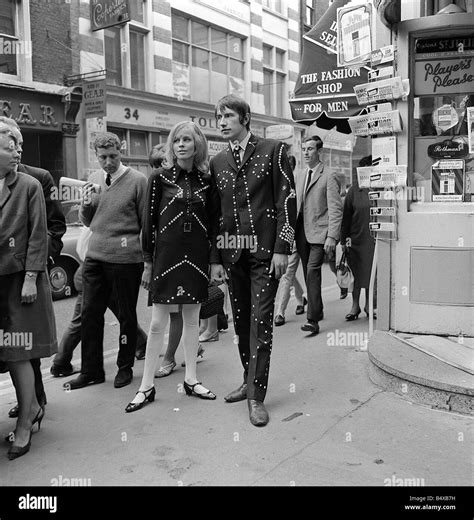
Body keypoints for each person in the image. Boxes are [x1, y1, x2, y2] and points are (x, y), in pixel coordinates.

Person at [209, 94, 297, 427]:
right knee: (242, 322)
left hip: (265, 255)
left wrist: (281, 249)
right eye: (219, 117)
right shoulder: (217, 163)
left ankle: (256, 397)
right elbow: (216, 214)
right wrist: (215, 258)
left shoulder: (273, 150)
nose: (222, 122)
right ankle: (248, 380)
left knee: (261, 322)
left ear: (246, 118)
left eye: (228, 115)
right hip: (233, 255)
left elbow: (287, 201)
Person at [125, 121, 220, 413]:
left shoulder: (207, 179)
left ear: (197, 145)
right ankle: (146, 386)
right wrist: (147, 262)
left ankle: (191, 379)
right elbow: (149, 223)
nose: (180, 144)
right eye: (176, 140)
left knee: (192, 320)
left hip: (196, 257)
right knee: (157, 323)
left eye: (187, 140)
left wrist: (215, 260)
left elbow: (215, 224)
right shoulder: (159, 178)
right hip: (166, 257)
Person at [64, 132, 147, 390]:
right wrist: (86, 203)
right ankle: (91, 370)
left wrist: (147, 261)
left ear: (120, 152)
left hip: (126, 259)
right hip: (95, 257)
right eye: (103, 157)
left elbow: (146, 223)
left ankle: (125, 367)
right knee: (89, 314)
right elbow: (88, 220)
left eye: (113, 156)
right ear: (97, 156)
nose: (108, 162)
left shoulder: (138, 181)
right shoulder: (94, 178)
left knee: (125, 315)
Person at [0, 117, 66, 419]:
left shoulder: (35, 180)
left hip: (24, 274)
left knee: (24, 348)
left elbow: (50, 229)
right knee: (12, 349)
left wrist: (35, 270)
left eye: (19, 146)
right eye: (11, 146)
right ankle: (31, 404)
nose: (18, 152)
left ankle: (33, 405)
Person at [50, 238, 148, 377]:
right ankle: (61, 361)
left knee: (118, 313)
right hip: (97, 273)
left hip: (90, 271)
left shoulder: (94, 226)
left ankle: (142, 344)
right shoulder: (100, 227)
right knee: (94, 317)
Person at [295, 136, 343, 335]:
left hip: (320, 233)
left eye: (310, 149)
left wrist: (332, 237)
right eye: (304, 149)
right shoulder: (300, 175)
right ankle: (318, 309)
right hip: (302, 233)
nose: (306, 153)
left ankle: (312, 319)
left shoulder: (329, 175)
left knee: (312, 271)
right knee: (308, 274)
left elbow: (335, 209)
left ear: (319, 151)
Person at [340, 155, 376, 320]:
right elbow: (345, 218)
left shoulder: (379, 189)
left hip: (373, 239)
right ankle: (355, 306)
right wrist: (343, 240)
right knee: (355, 273)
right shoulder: (354, 191)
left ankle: (369, 304)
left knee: (370, 272)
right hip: (355, 239)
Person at [274, 154, 307, 326]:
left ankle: (279, 312)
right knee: (288, 273)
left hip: (298, 235)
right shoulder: (275, 182)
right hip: (284, 237)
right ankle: (301, 299)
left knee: (286, 274)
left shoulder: (298, 182)